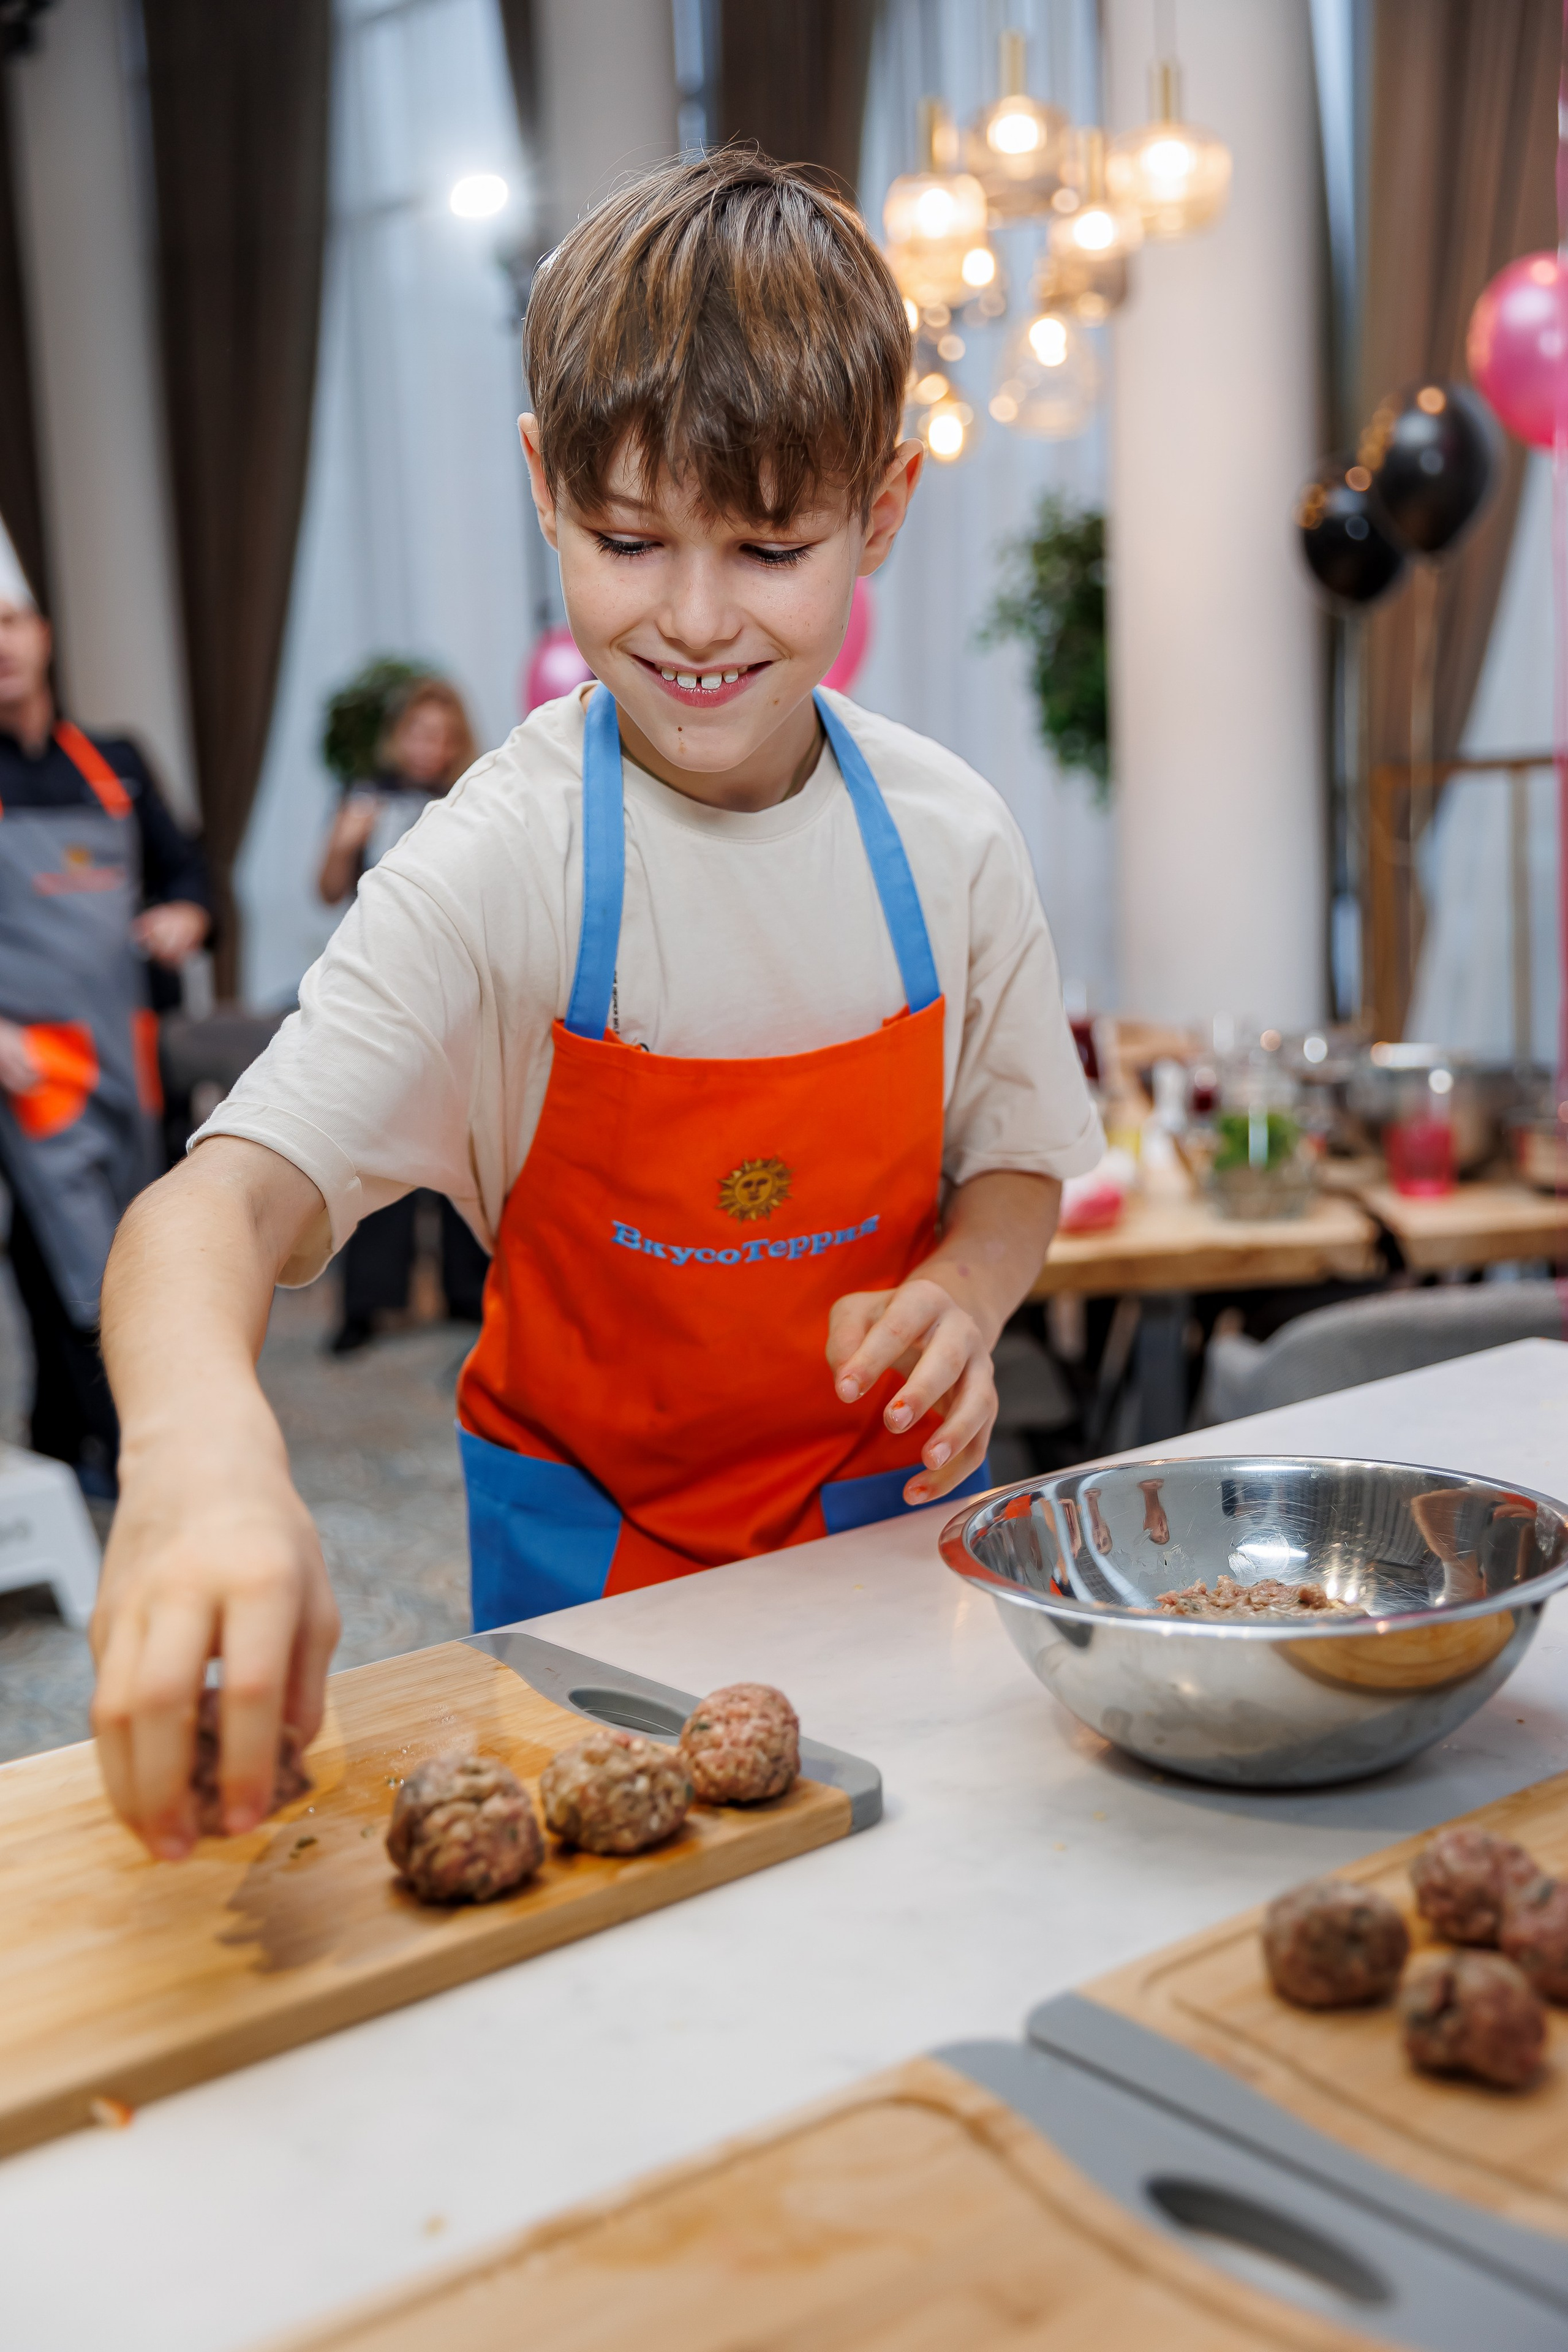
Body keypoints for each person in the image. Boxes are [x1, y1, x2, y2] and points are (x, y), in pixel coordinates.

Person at [91, 153, 1103, 1856]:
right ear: (544, 488)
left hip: (890, 1541)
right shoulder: (501, 862)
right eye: (630, 541)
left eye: (771, 547)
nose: (694, 619)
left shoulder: (951, 840)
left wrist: (965, 1288)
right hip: (588, 1571)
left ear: (883, 510)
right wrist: (201, 1454)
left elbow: (1013, 1160)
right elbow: (215, 1205)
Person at [0, 578, 211, 1493]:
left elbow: (185, 871)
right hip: (31, 1065)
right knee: (76, 1262)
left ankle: (64, 1438)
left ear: (43, 633)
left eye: (10, 622)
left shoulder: (114, 763)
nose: (1, 645)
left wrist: (187, 914)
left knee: (130, 1242)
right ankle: (128, 1452)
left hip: (126, 1049)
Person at [315, 676, 490, 1350]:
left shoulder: (475, 799)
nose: (430, 747)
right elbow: (328, 891)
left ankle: (467, 1291)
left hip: (458, 990)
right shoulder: (364, 796)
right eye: (420, 732)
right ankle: (367, 1303)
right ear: (401, 736)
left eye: (442, 735)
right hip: (383, 990)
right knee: (378, 1142)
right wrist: (343, 841)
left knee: (463, 1143)